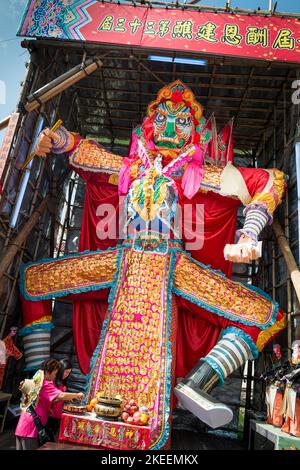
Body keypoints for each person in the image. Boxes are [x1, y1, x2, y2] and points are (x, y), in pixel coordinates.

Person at [20, 81, 287, 447]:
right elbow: (79, 148)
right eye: (162, 119)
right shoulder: (127, 166)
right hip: (123, 260)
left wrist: (248, 233)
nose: (171, 129)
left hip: (171, 266)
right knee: (33, 279)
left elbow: (271, 180)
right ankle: (35, 385)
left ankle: (198, 383)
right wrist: (54, 137)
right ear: (148, 126)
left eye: (181, 121)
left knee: (266, 315)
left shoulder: (203, 174)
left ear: (196, 131)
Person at [15, 358, 83, 450]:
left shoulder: (39, 381)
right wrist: (77, 395)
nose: (55, 376)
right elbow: (61, 395)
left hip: (24, 425)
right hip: (31, 428)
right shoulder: (46, 384)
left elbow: (42, 400)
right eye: (54, 374)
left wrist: (48, 408)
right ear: (47, 372)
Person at [46, 359, 72, 441]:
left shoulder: (63, 383)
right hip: (49, 416)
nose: (67, 375)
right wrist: (64, 397)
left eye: (69, 373)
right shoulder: (52, 381)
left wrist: (67, 399)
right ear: (60, 370)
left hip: (58, 416)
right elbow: (52, 400)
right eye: (66, 372)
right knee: (47, 440)